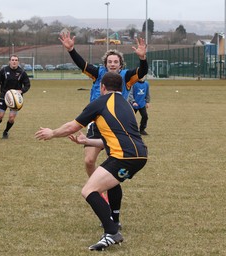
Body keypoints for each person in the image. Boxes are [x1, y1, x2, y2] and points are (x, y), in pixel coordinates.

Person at [35, 72, 147, 251]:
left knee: (89, 190)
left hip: (123, 156)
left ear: (102, 87)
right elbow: (113, 139)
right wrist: (87, 141)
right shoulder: (125, 105)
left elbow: (72, 126)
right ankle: (113, 225)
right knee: (107, 185)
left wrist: (52, 133)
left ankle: (111, 231)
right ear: (120, 88)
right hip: (139, 156)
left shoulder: (100, 103)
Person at [59, 31, 148, 210]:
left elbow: (142, 72)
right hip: (96, 123)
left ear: (120, 64)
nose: (112, 64)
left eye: (115, 62)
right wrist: (71, 50)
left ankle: (107, 194)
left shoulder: (126, 77)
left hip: (116, 127)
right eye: (110, 62)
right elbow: (81, 64)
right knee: (89, 161)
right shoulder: (98, 74)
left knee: (113, 164)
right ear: (105, 64)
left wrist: (143, 58)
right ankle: (99, 191)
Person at [0, 54, 31, 139]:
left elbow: (27, 85)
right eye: (12, 60)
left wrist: (21, 91)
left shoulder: (22, 72)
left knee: (11, 118)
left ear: (18, 62)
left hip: (16, 99)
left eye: (16, 60)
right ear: (9, 61)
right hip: (4, 96)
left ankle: (6, 131)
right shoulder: (4, 70)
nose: (14, 61)